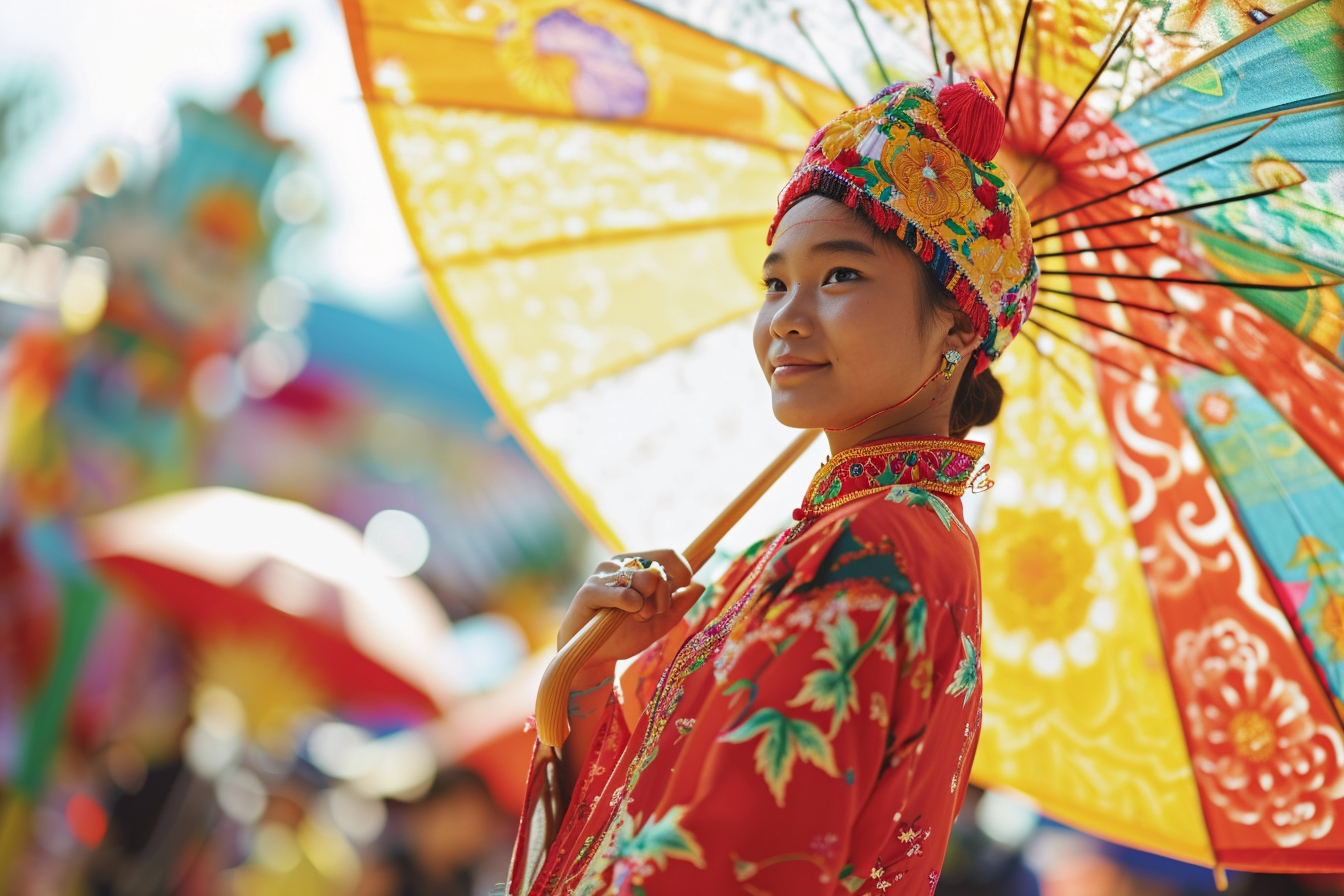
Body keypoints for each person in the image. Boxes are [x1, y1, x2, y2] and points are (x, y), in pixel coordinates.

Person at [507, 74, 1039, 895]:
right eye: (775, 282)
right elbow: (641, 823)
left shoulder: (878, 544)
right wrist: (583, 682)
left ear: (962, 323)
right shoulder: (848, 536)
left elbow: (725, 866)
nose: (787, 317)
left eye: (839, 278)